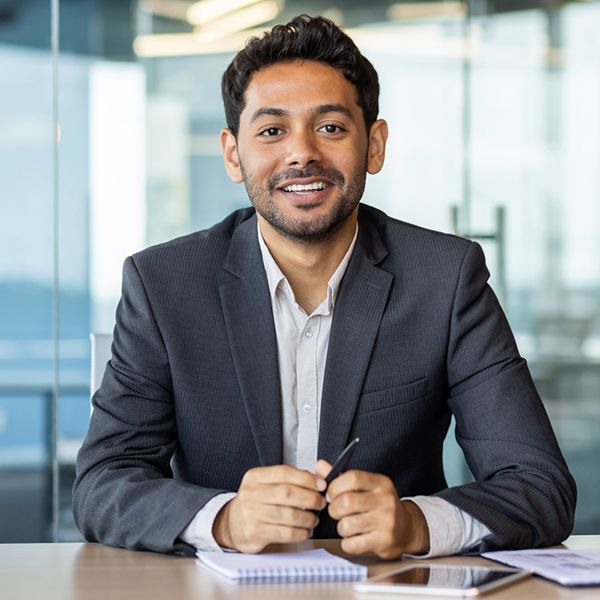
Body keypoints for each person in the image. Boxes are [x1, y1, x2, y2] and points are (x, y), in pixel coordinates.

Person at [73, 15, 576, 559]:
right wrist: (223, 520)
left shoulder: (446, 278)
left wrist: (415, 523)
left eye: (331, 127)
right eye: (271, 131)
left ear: (374, 145)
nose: (302, 153)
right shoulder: (164, 285)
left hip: (388, 588)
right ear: (233, 153)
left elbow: (539, 486)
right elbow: (104, 482)